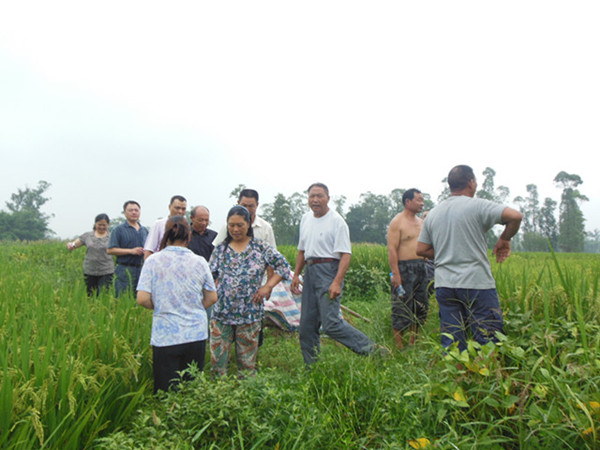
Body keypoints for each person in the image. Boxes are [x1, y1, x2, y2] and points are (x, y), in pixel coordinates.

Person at [417, 165, 522, 351]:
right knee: (488, 340)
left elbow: (421, 249)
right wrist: (505, 239)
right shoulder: (477, 205)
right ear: (471, 182)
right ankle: (488, 378)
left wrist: (445, 251)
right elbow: (515, 216)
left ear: (451, 185)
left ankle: (456, 377)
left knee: (453, 342)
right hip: (476, 284)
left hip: (445, 285)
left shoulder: (433, 213)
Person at [291, 183, 385, 366]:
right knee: (306, 327)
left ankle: (374, 351)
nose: (315, 200)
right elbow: (302, 251)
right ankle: (313, 368)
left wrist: (336, 282)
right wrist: (296, 275)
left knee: (331, 324)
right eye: (312, 196)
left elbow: (345, 255)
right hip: (310, 272)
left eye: (320, 196)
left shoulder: (337, 221)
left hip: (329, 271)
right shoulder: (305, 219)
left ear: (328, 198)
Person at [137, 216, 217, 393]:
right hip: (195, 333)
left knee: (166, 390)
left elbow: (142, 298)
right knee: (192, 388)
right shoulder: (200, 261)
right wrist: (194, 307)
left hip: (166, 334)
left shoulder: (153, 261)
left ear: (165, 234)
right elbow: (212, 298)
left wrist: (160, 306)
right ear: (189, 236)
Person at [209, 206, 291, 377]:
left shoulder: (260, 248)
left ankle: (246, 393)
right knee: (218, 361)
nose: (235, 229)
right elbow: (211, 275)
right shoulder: (220, 250)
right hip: (222, 312)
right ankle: (218, 392)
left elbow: (283, 267)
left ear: (248, 224)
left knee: (247, 364)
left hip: (250, 312)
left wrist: (267, 286)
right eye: (231, 225)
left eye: (240, 225)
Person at [387, 189, 434, 349]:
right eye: (418, 200)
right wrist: (396, 274)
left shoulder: (422, 223)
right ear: (408, 202)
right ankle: (399, 347)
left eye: (423, 200)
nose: (422, 203)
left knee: (421, 306)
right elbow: (392, 250)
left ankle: (413, 344)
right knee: (401, 306)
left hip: (421, 268)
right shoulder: (397, 222)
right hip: (403, 269)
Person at [107, 201, 149, 297]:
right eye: (130, 210)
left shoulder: (145, 230)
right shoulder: (118, 230)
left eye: (136, 210)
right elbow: (110, 250)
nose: (134, 212)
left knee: (139, 298)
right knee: (123, 298)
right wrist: (131, 251)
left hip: (141, 269)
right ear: (125, 213)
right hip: (124, 269)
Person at [66, 213, 115, 296]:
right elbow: (75, 244)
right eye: (99, 224)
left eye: (104, 225)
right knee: (90, 294)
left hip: (106, 270)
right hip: (90, 270)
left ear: (108, 225)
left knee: (102, 294)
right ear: (95, 224)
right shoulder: (87, 236)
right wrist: (71, 245)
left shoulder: (112, 236)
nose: (102, 227)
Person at [144, 195, 187, 260]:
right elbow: (149, 250)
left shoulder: (186, 226)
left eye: (183, 209)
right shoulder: (159, 224)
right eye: (177, 208)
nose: (180, 211)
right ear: (169, 207)